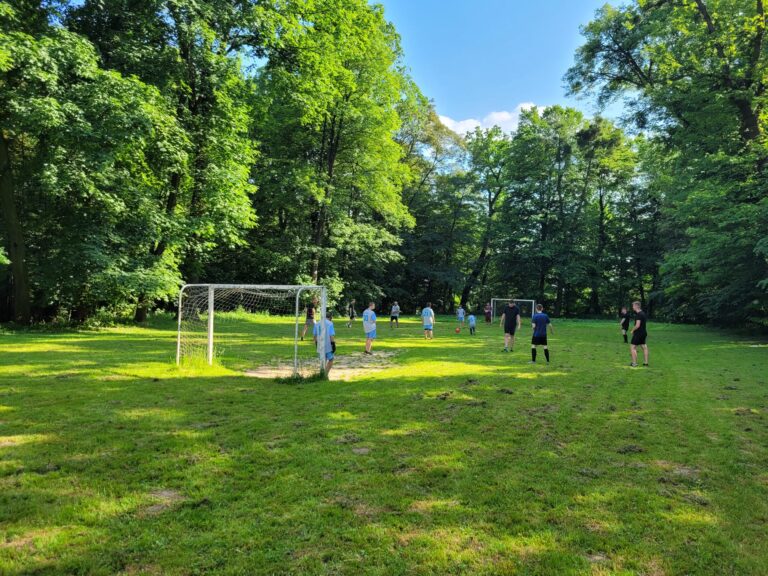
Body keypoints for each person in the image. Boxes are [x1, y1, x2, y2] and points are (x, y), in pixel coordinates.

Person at [313, 311, 336, 376]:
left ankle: (322, 374)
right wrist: (333, 344)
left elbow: (314, 336)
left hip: (320, 345)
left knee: (323, 360)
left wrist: (316, 344)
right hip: (328, 345)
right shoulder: (330, 323)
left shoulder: (317, 323)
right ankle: (325, 375)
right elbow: (331, 335)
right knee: (331, 360)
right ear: (330, 317)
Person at [630, 300, 649, 367]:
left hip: (638, 333)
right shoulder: (643, 313)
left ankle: (634, 363)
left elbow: (637, 325)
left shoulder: (639, 314)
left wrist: (632, 330)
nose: (632, 307)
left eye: (633, 306)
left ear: (637, 306)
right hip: (643, 333)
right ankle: (646, 362)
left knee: (633, 347)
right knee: (644, 347)